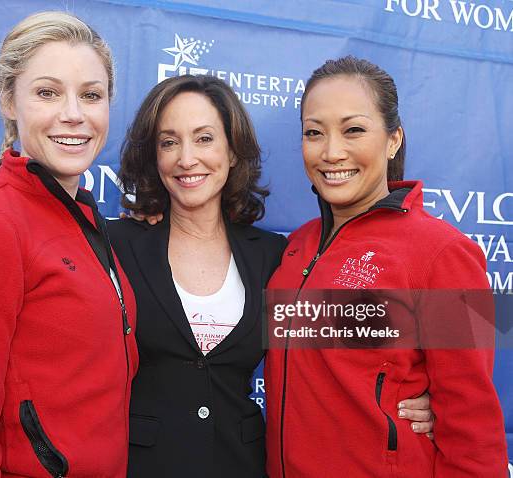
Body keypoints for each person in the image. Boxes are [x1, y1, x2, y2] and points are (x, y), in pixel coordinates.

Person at [108, 74, 434, 478]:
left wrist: (432, 398)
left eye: (205, 138)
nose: (186, 158)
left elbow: (352, 349)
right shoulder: (115, 244)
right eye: (168, 142)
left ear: (232, 151)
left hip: (242, 464)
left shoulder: (275, 255)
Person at [264, 56, 509, 477]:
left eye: (353, 129)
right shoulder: (294, 248)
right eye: (313, 133)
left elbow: (472, 425)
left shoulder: (443, 253)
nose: (331, 151)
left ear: (393, 139)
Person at [0, 12, 138, 477]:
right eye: (47, 92)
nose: (74, 114)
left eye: (91, 95)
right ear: (7, 100)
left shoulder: (85, 220)